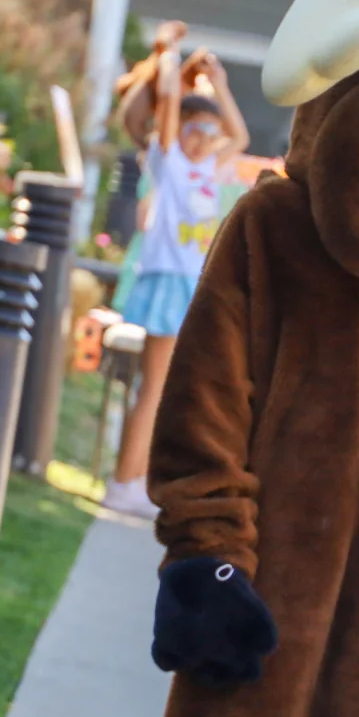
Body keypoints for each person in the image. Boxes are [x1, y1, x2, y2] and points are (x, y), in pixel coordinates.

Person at [101, 45, 248, 519]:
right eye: (193, 130)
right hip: (167, 281)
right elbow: (167, 103)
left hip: (189, 285)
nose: (204, 140)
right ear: (176, 131)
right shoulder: (171, 164)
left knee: (165, 389)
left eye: (210, 132)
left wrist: (219, 84)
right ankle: (125, 482)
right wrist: (168, 54)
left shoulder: (208, 167)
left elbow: (239, 135)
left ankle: (134, 479)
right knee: (155, 387)